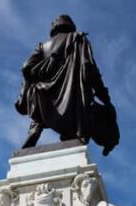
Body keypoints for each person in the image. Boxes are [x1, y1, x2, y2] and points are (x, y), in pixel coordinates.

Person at [15, 14, 119, 155]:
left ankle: (34, 133)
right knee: (106, 113)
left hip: (43, 98)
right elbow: (89, 68)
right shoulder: (78, 39)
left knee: (39, 99)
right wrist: (104, 97)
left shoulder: (42, 46)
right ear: (70, 25)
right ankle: (101, 140)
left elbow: (27, 67)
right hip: (72, 98)